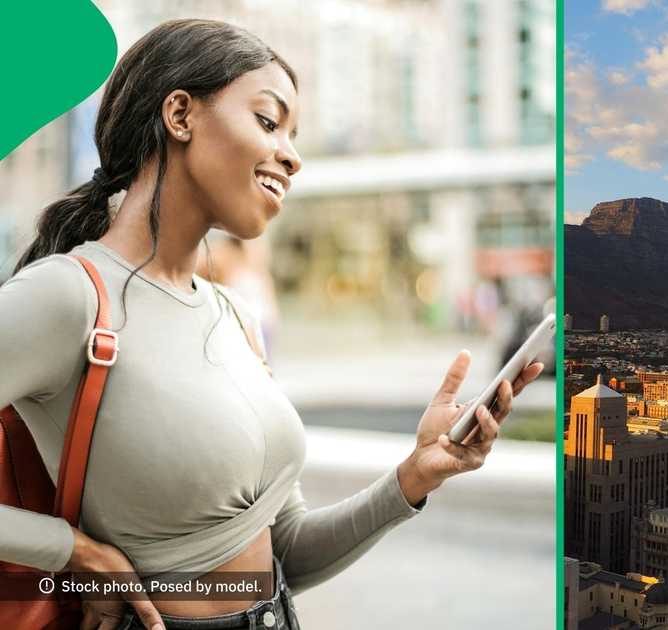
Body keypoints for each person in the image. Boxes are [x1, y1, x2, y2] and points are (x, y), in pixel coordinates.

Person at [0, 19, 543, 630]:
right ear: (179, 115)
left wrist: (414, 477)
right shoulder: (68, 295)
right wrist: (71, 553)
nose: (292, 155)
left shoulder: (235, 316)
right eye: (267, 121)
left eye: (293, 135)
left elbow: (286, 551)